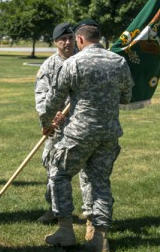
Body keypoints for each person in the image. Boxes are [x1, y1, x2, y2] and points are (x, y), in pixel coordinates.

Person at [40, 19, 133, 251]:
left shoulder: (73, 63)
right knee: (100, 181)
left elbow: (52, 100)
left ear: (80, 39)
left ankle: (65, 230)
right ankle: (99, 237)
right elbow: (127, 97)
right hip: (108, 134)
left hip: (78, 134)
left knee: (59, 174)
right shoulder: (119, 61)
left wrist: (47, 123)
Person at [34, 22, 94, 235]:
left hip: (82, 127)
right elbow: (41, 97)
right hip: (57, 128)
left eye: (70, 37)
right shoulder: (49, 66)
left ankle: (91, 218)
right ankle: (54, 209)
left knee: (87, 173)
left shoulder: (85, 61)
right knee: (52, 167)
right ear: (55, 42)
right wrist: (48, 121)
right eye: (63, 39)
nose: (68, 42)